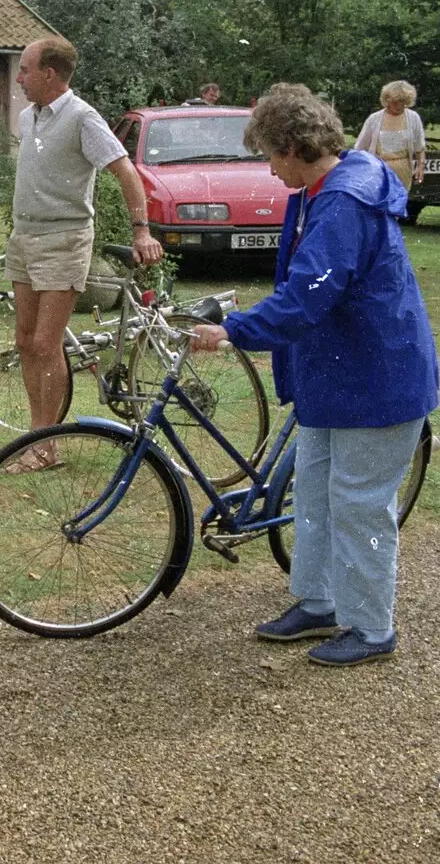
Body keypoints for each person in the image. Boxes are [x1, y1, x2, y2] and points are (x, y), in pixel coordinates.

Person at [191, 83, 437, 667]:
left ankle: (372, 626)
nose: (269, 169)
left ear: (296, 147)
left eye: (271, 156)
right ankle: (322, 601)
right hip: (337, 376)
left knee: (360, 503)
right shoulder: (318, 190)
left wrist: (234, 330)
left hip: (376, 378)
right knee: (319, 494)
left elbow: (309, 295)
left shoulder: (343, 201)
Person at [5, 36, 163, 472]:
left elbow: (125, 172)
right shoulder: (28, 116)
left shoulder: (82, 117)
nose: (19, 78)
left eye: (24, 70)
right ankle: (39, 435)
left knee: (45, 342)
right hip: (24, 237)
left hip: (65, 239)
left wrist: (142, 230)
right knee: (23, 341)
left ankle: (44, 444)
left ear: (49, 74)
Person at [353, 80, 426, 194]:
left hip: (403, 172)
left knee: (398, 205)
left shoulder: (413, 117)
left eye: (403, 102)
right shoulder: (374, 119)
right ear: (387, 100)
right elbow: (360, 148)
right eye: (395, 102)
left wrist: (420, 167)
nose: (399, 106)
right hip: (378, 171)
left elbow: (419, 147)